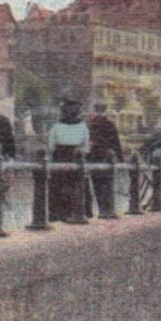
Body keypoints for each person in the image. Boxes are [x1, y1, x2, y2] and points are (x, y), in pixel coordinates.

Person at [46, 93, 91, 223]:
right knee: (76, 185)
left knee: (59, 186)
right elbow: (86, 147)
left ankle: (58, 213)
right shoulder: (83, 127)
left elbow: (50, 146)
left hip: (60, 158)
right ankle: (77, 212)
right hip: (76, 158)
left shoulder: (56, 127)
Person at [85, 99, 124, 218]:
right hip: (106, 157)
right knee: (107, 184)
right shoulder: (109, 124)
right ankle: (108, 210)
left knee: (97, 184)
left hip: (92, 157)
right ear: (105, 110)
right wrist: (121, 159)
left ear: (96, 110)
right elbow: (116, 143)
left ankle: (102, 210)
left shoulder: (90, 124)